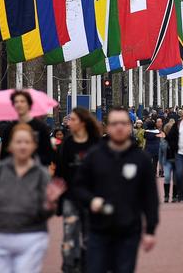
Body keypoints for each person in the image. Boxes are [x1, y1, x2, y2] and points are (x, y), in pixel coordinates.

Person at [0, 123, 65, 273]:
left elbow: (45, 212)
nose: (22, 146)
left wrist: (51, 202)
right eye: (18, 142)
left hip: (31, 238)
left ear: (33, 146)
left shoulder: (41, 174)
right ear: (9, 146)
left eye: (27, 142)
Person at [73, 107, 158, 273]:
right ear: (108, 128)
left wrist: (150, 230)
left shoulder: (141, 159)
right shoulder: (94, 155)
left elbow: (150, 197)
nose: (119, 127)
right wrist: (91, 200)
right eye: (114, 123)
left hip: (128, 229)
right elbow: (78, 186)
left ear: (130, 126)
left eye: (123, 123)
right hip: (98, 229)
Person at [54, 108, 101, 273]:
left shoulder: (95, 142)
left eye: (72, 119)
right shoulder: (67, 143)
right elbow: (60, 172)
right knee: (69, 236)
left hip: (91, 198)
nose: (69, 122)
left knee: (90, 236)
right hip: (70, 198)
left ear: (82, 122)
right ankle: (69, 265)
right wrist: (58, 200)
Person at [0, 90, 53, 166]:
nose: (19, 104)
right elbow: (3, 155)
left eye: (22, 101)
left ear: (29, 104)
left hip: (37, 172)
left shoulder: (41, 127)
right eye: (16, 102)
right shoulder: (9, 128)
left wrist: (32, 161)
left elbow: (48, 154)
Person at [161, 119, 177, 203]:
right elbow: (160, 154)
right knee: (167, 177)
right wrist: (160, 166)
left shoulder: (178, 139)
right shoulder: (163, 141)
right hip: (167, 161)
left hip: (177, 161)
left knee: (175, 179)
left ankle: (175, 195)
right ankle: (166, 195)